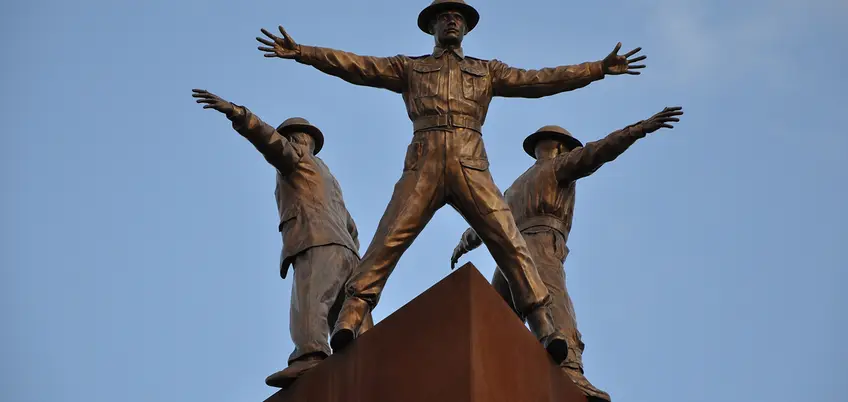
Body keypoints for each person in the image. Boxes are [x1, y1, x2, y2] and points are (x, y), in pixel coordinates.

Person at [255, 0, 647, 362]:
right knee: (387, 241)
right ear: (433, 26)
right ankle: (350, 317)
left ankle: (545, 326)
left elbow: (540, 80)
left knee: (510, 243)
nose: (452, 21)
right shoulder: (411, 68)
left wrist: (597, 69)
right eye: (445, 17)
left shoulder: (486, 71)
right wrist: (303, 52)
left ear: (466, 28)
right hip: (424, 162)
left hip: (470, 162)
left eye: (458, 17)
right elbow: (357, 66)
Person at [450, 106, 684, 401]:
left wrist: (638, 129)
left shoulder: (540, 176)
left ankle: (550, 372)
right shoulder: (536, 176)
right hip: (525, 246)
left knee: (525, 307)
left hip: (525, 246)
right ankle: (536, 373)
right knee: (522, 309)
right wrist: (467, 239)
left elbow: (601, 150)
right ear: (555, 146)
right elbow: (493, 214)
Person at [191, 89, 374, 388]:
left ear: (298, 140)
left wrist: (238, 114)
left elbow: (269, 142)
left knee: (310, 302)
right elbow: (352, 226)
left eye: (291, 138)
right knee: (352, 315)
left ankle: (309, 356)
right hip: (348, 254)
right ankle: (374, 362)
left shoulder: (298, 160)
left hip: (318, 242)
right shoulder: (329, 178)